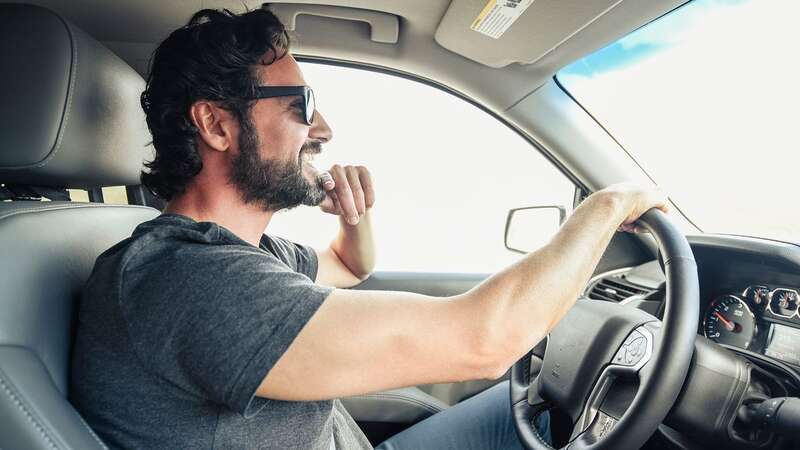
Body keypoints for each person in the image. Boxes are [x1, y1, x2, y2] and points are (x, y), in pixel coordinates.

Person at [69, 8, 668, 450]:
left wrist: (355, 217)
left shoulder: (245, 253)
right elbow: (485, 342)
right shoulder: (190, 279)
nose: (324, 127)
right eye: (300, 105)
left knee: (541, 417)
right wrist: (608, 203)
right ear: (216, 125)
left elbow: (352, 267)